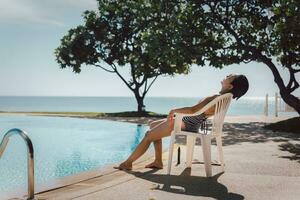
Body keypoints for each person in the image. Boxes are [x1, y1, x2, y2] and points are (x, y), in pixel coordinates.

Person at [114, 74, 249, 170]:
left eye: (230, 76)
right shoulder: (225, 98)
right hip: (194, 122)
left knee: (149, 135)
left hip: (189, 123)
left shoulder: (216, 97)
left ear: (230, 85)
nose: (227, 75)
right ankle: (158, 161)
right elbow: (197, 112)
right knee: (153, 124)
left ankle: (128, 163)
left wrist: (174, 110)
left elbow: (192, 110)